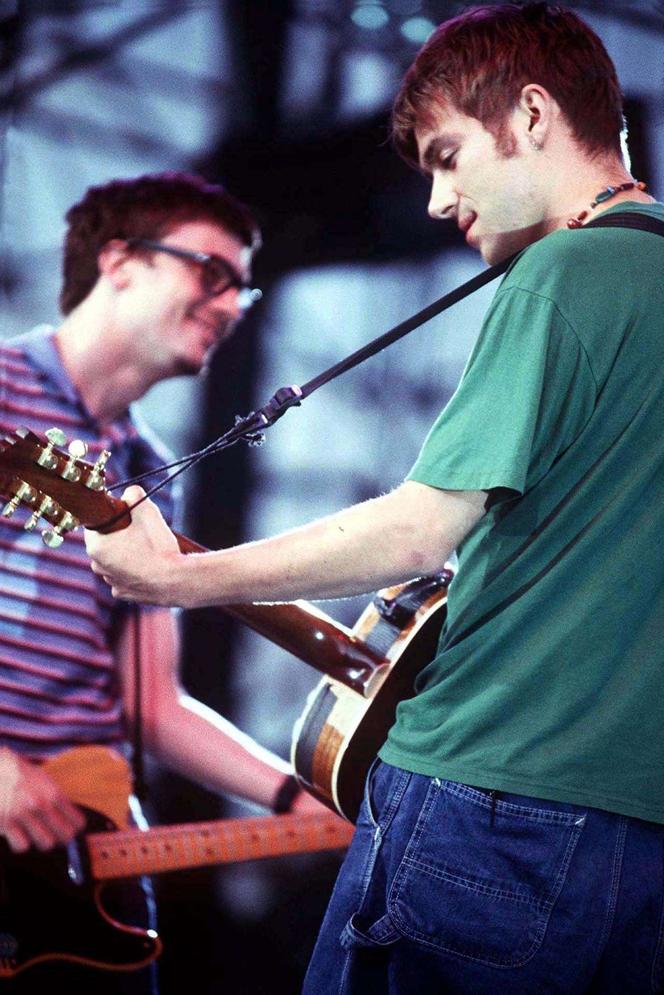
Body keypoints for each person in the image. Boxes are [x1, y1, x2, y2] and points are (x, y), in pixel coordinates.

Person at [84, 5, 664, 993]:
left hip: (490, 805)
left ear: (532, 116)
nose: (437, 200)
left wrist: (177, 578)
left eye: (447, 157)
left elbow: (419, 529)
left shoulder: (563, 271)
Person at [0, 171, 327, 995]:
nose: (231, 303)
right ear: (120, 261)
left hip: (89, 850)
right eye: (212, 271)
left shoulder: (149, 470)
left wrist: (299, 802)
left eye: (244, 289)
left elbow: (154, 703)